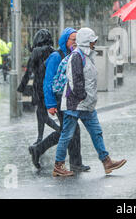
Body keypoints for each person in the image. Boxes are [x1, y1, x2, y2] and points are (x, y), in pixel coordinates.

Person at [53, 27, 126, 176]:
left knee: (96, 132)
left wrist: (88, 99)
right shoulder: (76, 57)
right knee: (67, 135)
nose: (95, 43)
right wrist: (83, 95)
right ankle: (58, 165)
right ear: (86, 42)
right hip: (75, 103)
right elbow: (75, 79)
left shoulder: (87, 56)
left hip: (86, 104)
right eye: (93, 41)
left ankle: (106, 161)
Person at [27, 27, 90, 172]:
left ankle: (40, 150)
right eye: (73, 39)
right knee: (70, 129)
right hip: (59, 99)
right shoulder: (56, 56)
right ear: (65, 40)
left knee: (68, 130)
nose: (75, 42)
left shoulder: (74, 55)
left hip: (69, 99)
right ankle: (74, 162)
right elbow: (48, 82)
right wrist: (50, 103)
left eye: (77, 40)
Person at [17, 29, 60, 145]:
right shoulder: (53, 51)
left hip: (39, 86)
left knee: (41, 114)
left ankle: (59, 131)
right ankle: (41, 137)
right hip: (50, 85)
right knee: (41, 114)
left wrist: (22, 86)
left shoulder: (36, 51)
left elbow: (28, 71)